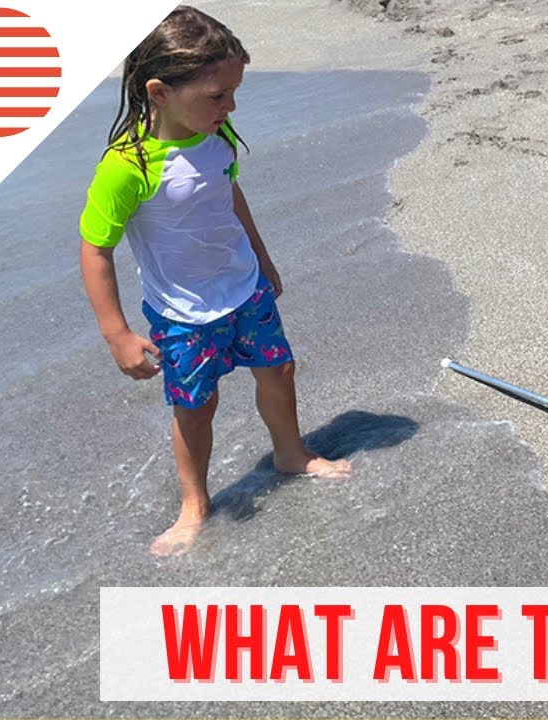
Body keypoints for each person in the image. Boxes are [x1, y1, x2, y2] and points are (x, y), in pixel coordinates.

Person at [78, 6, 350, 557]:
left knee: (279, 369)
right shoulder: (126, 168)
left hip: (243, 287)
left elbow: (229, 196)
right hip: (182, 313)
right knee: (196, 405)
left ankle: (290, 453)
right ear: (159, 92)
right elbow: (95, 249)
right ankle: (194, 504)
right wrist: (118, 334)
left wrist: (262, 257)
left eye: (233, 92)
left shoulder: (216, 133)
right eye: (217, 95)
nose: (230, 106)